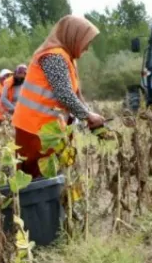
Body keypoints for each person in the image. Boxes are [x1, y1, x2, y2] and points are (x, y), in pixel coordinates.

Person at [12, 15, 106, 178]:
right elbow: (64, 94)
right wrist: (88, 115)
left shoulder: (67, 58)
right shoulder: (53, 56)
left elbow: (76, 94)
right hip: (35, 129)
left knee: (52, 177)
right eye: (86, 43)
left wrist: (89, 116)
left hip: (48, 129)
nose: (87, 48)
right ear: (73, 36)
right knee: (35, 179)